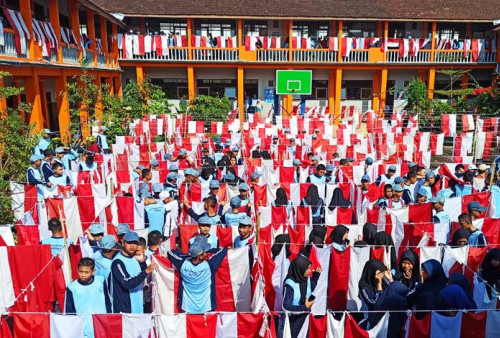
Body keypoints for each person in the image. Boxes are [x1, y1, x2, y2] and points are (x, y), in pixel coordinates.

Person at [167, 235, 228, 313]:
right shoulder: (210, 265)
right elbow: (223, 250)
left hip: (187, 308)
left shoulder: (182, 263)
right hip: (206, 308)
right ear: (201, 257)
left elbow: (170, 252)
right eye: (205, 252)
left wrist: (188, 256)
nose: (206, 253)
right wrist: (211, 251)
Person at [110, 232, 157, 313]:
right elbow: (127, 283)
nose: (132, 246)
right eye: (129, 242)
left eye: (135, 243)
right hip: (125, 309)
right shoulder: (118, 262)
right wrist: (146, 271)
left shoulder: (134, 258)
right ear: (123, 243)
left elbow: (138, 276)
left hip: (137, 306)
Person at [65, 258, 111, 338]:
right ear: (77, 270)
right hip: (83, 329)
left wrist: (109, 320)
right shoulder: (72, 288)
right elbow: (69, 311)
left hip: (101, 325)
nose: (83, 275)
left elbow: (108, 303)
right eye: (81, 271)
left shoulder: (101, 281)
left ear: (93, 271)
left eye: (86, 272)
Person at [358, 259, 407, 331]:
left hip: (386, 315)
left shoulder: (384, 280)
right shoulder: (364, 287)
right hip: (371, 318)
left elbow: (393, 291)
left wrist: (391, 280)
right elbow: (374, 303)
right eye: (381, 273)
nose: (382, 276)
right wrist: (378, 285)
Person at [282, 255, 321, 336]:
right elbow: (286, 306)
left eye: (310, 268)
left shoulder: (305, 278)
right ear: (300, 268)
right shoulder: (290, 283)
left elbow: (309, 290)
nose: (310, 271)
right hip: (293, 321)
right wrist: (304, 307)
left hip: (304, 318)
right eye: (307, 268)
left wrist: (316, 276)